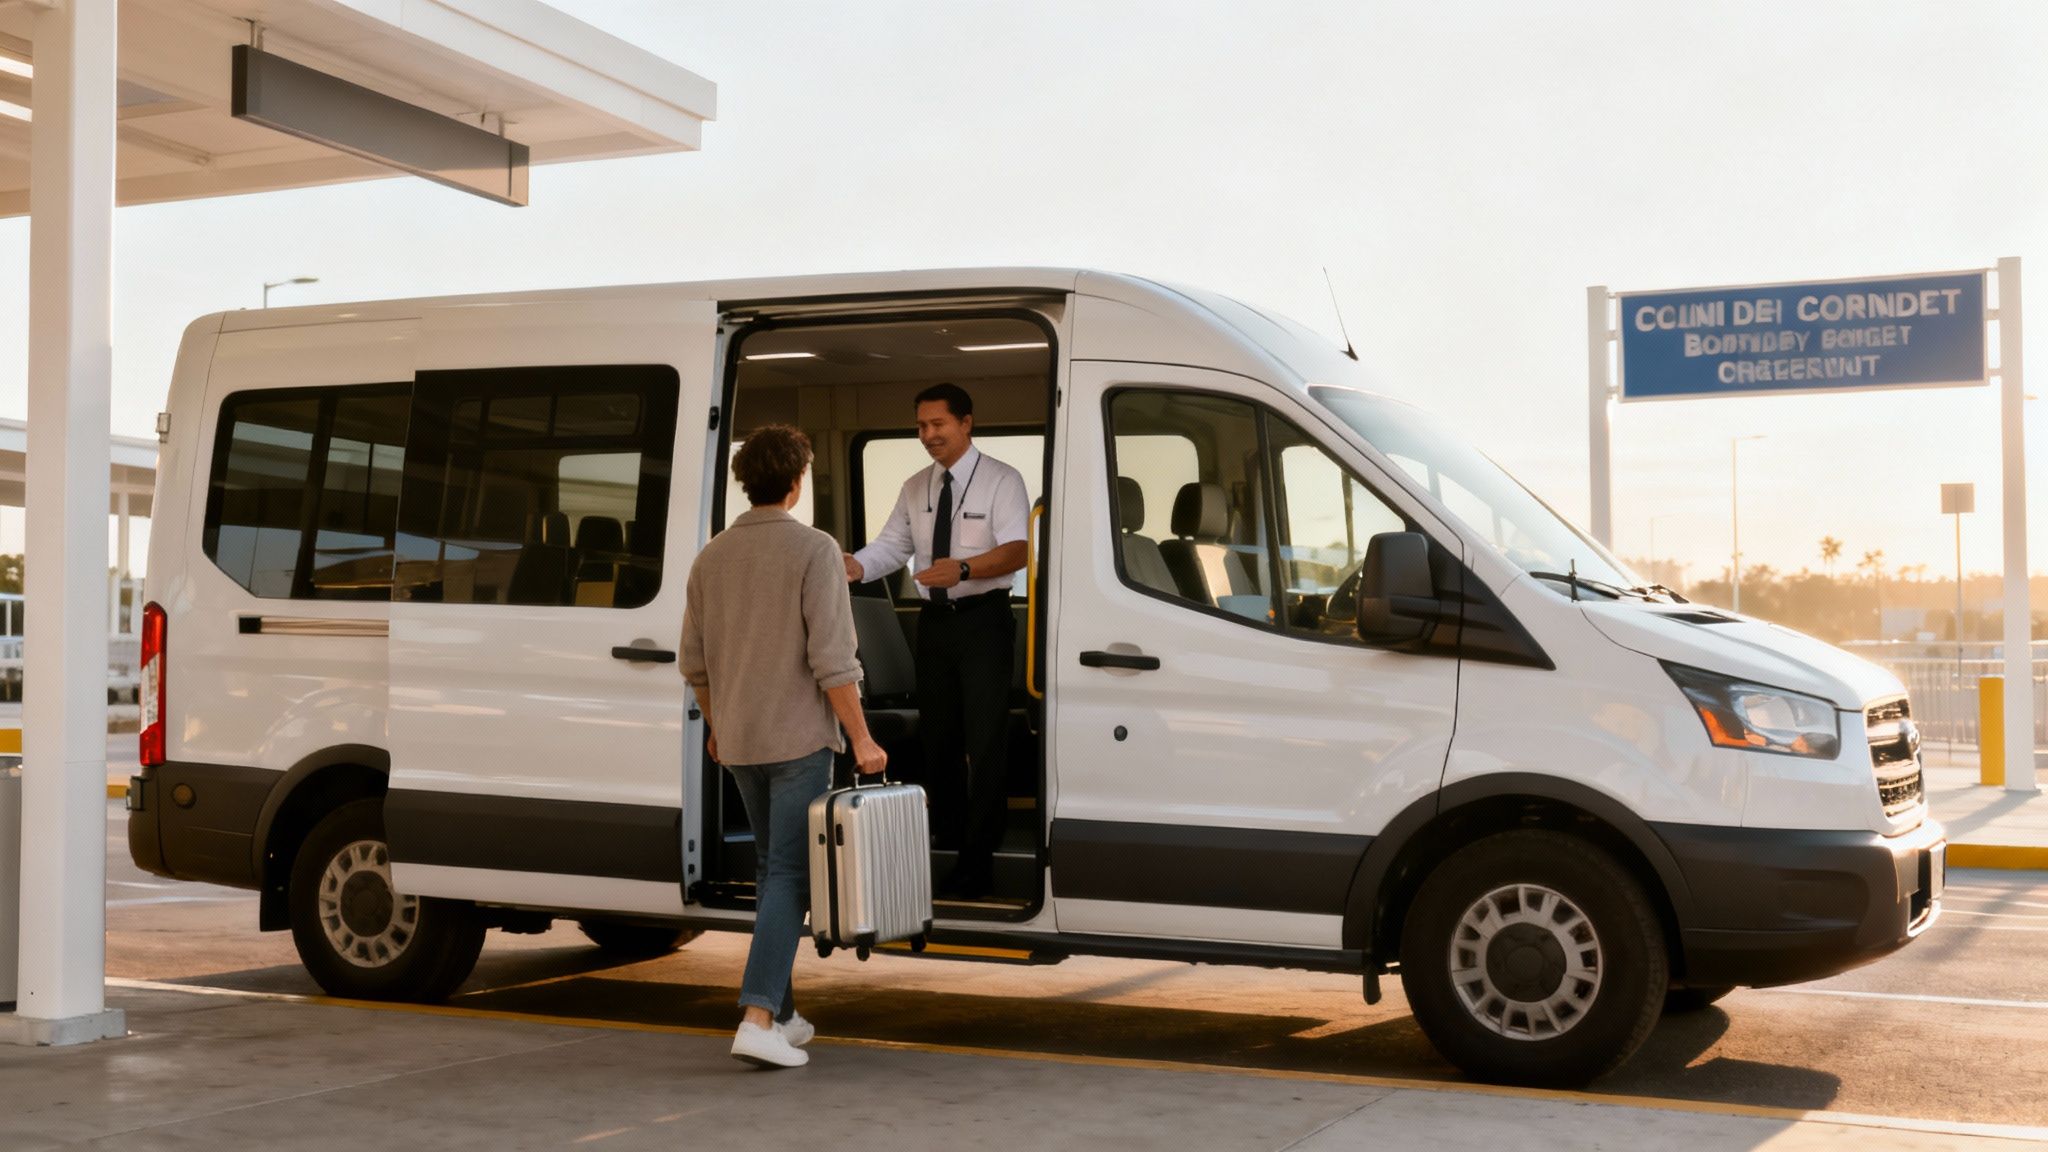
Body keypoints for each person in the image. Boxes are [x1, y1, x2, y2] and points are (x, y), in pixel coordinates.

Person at [681, 423, 887, 1070]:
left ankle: (786, 1014)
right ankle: (758, 1015)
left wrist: (717, 726)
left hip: (740, 740)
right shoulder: (814, 549)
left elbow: (694, 664)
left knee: (774, 871)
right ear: (797, 483)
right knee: (792, 877)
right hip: (799, 740)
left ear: (748, 483)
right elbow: (834, 659)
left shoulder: (711, 556)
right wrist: (862, 738)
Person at [844, 383, 1030, 899]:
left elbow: (1018, 549)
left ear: (966, 423)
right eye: (921, 426)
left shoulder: (1002, 480)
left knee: (985, 740)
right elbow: (892, 547)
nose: (927, 436)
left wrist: (966, 568)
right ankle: (946, 840)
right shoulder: (914, 487)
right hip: (937, 626)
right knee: (940, 740)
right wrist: (856, 565)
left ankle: (979, 858)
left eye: (937, 425)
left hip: (985, 622)